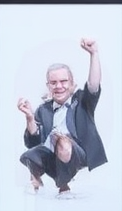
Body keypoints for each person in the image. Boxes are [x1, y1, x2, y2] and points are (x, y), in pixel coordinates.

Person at [17, 39, 107, 197]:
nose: (59, 86)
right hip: (50, 154)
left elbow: (93, 85)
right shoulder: (43, 109)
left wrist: (94, 54)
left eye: (64, 81)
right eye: (53, 83)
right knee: (31, 155)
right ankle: (37, 180)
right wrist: (30, 118)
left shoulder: (82, 102)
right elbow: (33, 143)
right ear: (48, 86)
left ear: (73, 84)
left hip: (74, 152)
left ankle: (63, 186)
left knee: (63, 142)